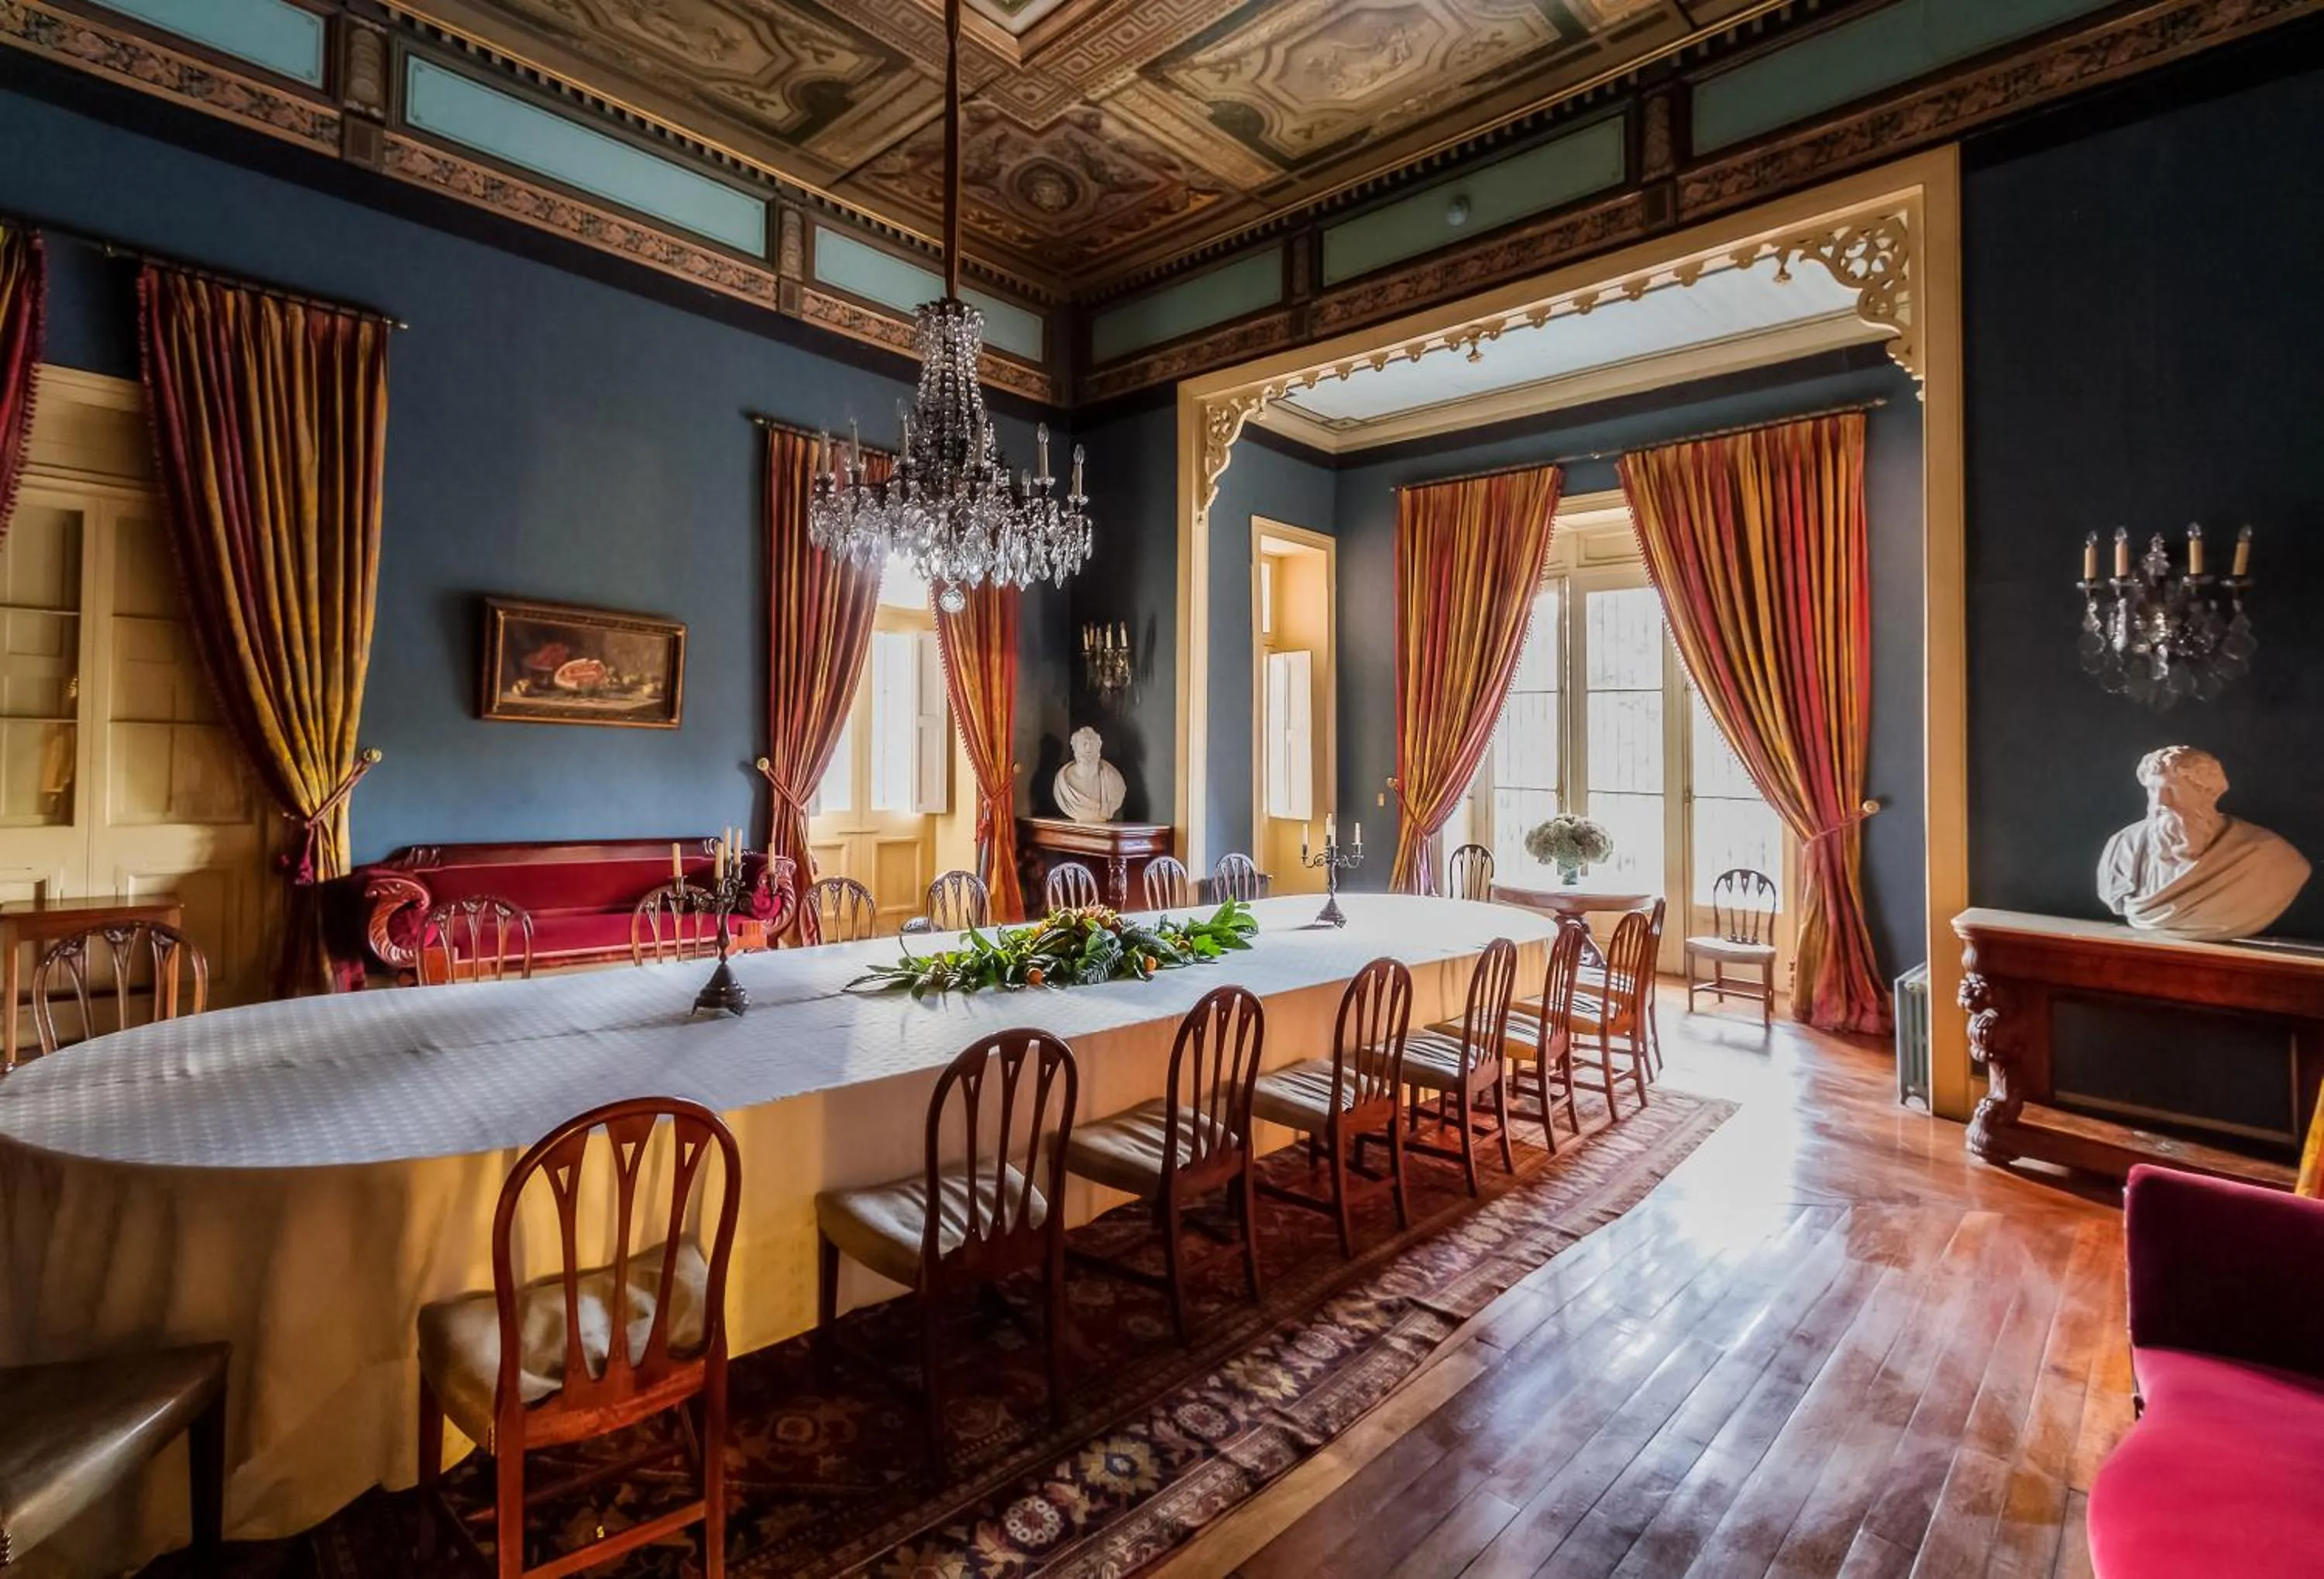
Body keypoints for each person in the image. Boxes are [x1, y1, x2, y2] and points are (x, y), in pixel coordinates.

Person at [2097, 745, 2308, 941]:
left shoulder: (2269, 856)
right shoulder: (2124, 845)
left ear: (2205, 792)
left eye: (2171, 789)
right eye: (2152, 790)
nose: (2161, 801)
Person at [1053, 726, 1126, 824]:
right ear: (1074, 747)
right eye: (1084, 743)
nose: (1088, 748)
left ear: (1099, 746)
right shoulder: (1062, 782)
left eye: (1092, 743)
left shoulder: (1115, 780)